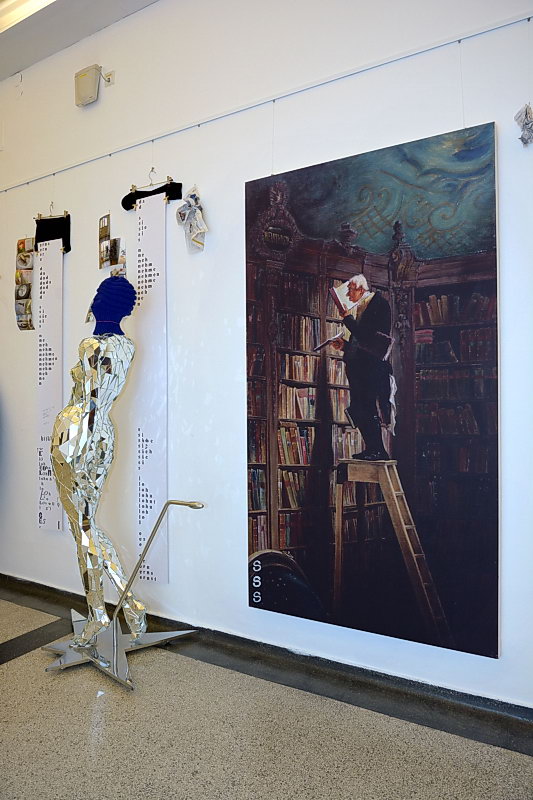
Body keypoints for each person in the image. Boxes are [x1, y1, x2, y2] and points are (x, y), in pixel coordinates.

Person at [51, 276, 146, 647]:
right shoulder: (128, 347)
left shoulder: (90, 344)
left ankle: (100, 615)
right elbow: (101, 402)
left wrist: (76, 446)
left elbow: (88, 401)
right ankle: (128, 606)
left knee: (83, 530)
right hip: (104, 435)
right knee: (87, 526)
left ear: (98, 303)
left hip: (77, 434)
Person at [331, 274, 393, 461]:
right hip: (359, 367)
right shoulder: (362, 306)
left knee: (367, 408)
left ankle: (378, 450)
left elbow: (368, 338)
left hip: (371, 368)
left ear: (360, 289)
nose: (348, 295)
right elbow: (362, 344)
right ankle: (373, 448)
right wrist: (345, 346)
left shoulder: (379, 305)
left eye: (350, 290)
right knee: (359, 408)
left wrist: (348, 319)